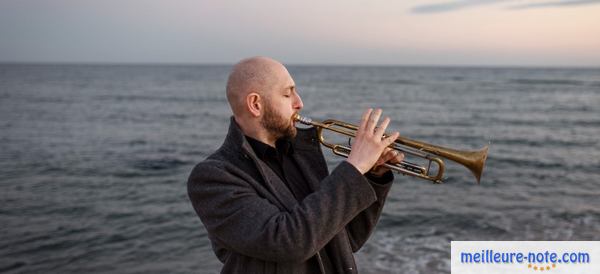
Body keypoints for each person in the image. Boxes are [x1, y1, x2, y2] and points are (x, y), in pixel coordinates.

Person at [187, 56, 404, 273]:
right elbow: (286, 242)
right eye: (287, 93)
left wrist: (373, 176)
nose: (299, 103)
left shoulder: (302, 156)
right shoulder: (213, 177)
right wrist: (354, 167)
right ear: (255, 104)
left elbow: (347, 239)